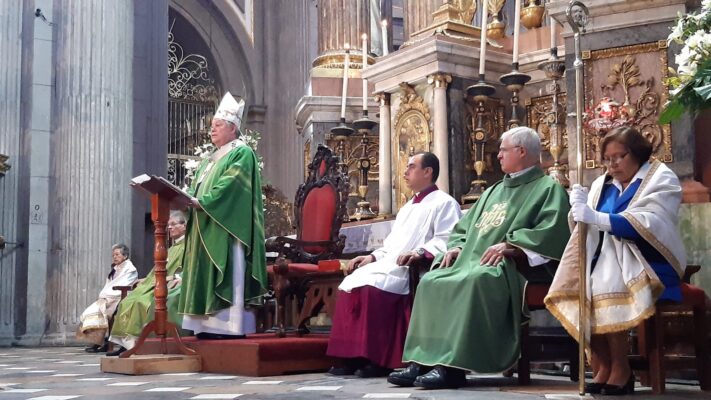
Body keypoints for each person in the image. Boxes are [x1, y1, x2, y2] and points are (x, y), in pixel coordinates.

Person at [388, 126, 571, 389]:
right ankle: (423, 361)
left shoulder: (547, 189)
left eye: (503, 150)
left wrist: (513, 246)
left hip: (511, 267)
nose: (498, 156)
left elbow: (551, 231)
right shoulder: (494, 190)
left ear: (521, 151)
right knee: (432, 281)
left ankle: (452, 368)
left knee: (474, 281)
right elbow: (464, 228)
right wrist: (457, 247)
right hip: (470, 260)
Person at [545, 126, 686, 396]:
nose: (612, 164)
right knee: (581, 284)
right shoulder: (602, 184)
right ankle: (604, 365)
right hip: (606, 258)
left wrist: (596, 217)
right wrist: (577, 212)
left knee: (599, 283)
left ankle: (621, 367)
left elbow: (653, 223)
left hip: (650, 261)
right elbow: (586, 231)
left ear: (637, 153)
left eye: (619, 157)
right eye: (607, 159)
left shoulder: (660, 178)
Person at [327, 152, 461, 378]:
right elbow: (392, 244)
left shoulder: (445, 203)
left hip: (412, 266)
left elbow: (447, 239)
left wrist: (420, 252)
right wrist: (371, 257)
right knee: (351, 282)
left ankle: (378, 359)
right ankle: (350, 357)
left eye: (411, 167)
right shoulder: (408, 207)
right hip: (391, 262)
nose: (405, 172)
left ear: (427, 172)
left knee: (372, 286)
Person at [177, 92, 268, 339]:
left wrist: (203, 202)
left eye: (217, 126)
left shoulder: (241, 153)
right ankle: (205, 326)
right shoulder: (209, 160)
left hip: (225, 225)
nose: (212, 131)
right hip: (202, 223)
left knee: (226, 272)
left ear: (232, 127)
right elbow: (195, 187)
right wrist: (185, 200)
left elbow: (232, 185)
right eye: (211, 127)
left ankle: (227, 327)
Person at [107, 211, 188, 356]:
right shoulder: (171, 247)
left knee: (140, 302)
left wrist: (174, 277)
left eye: (173, 224)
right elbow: (159, 269)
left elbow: (187, 269)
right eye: (168, 225)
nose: (169, 228)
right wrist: (145, 279)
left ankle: (136, 344)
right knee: (127, 301)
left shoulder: (188, 247)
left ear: (185, 226)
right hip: (156, 282)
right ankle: (125, 345)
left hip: (169, 284)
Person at [77, 244, 137, 352]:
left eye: (117, 254)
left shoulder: (130, 269)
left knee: (103, 311)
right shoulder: (115, 268)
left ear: (125, 256)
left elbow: (124, 284)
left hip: (121, 297)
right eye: (113, 255)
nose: (114, 257)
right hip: (110, 297)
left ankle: (104, 342)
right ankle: (99, 341)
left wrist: (106, 295)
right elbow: (108, 285)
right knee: (93, 311)